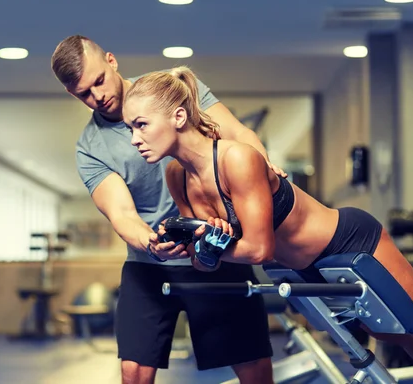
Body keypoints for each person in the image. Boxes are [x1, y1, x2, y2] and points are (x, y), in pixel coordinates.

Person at [122, 65, 413, 384]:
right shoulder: (177, 177)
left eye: (141, 125)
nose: (135, 139)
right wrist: (192, 247)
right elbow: (204, 263)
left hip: (347, 243)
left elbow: (261, 249)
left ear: (179, 117)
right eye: (130, 129)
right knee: (400, 333)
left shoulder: (237, 159)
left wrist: (215, 244)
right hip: (306, 268)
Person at [50, 35, 288, 384]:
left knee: (254, 369)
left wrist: (265, 168)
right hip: (150, 265)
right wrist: (151, 242)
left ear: (112, 61)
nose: (97, 95)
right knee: (133, 372)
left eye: (99, 80)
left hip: (215, 249)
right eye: (85, 92)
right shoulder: (90, 148)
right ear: (73, 94)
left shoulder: (171, 90)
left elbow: (236, 133)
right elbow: (122, 214)